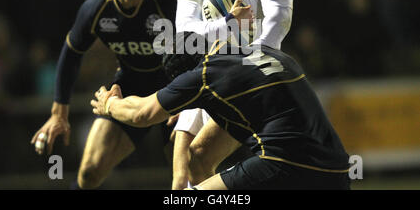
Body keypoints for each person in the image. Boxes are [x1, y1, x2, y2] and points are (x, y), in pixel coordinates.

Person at [90, 33, 351, 190]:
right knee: (201, 157)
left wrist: (109, 105)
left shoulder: (205, 74)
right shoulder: (267, 55)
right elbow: (200, 153)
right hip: (337, 171)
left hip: (286, 166)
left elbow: (143, 114)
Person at [30, 0, 178, 189]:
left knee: (187, 177)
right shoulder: (96, 8)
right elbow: (71, 53)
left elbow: (204, 52)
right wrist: (58, 114)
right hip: (130, 88)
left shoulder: (171, 2)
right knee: (88, 174)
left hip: (176, 91)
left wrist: (193, 102)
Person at [172, 0, 294, 189]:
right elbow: (184, 31)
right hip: (211, 70)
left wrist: (254, 60)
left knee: (200, 158)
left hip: (257, 73)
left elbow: (280, 20)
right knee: (185, 168)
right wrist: (228, 23)